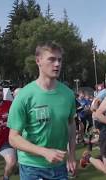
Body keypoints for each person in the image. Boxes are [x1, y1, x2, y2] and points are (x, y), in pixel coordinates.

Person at [7, 41, 76, 180]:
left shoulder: (68, 94)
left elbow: (71, 124)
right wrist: (44, 152)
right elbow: (13, 138)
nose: (57, 64)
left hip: (59, 166)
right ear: (38, 61)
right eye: (52, 59)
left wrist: (72, 155)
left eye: (59, 60)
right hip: (32, 167)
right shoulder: (24, 95)